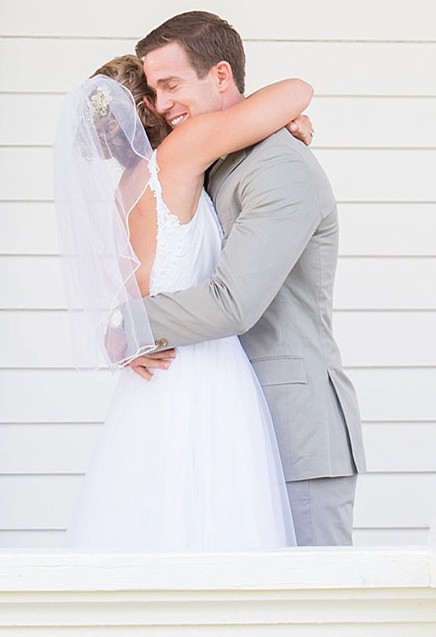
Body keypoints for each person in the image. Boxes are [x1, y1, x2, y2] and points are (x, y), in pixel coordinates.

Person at [55, 55, 311, 553]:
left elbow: (129, 296)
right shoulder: (182, 152)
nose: (172, 101)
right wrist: (288, 118)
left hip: (150, 378)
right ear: (148, 106)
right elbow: (297, 88)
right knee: (218, 516)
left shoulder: (124, 191)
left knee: (149, 516)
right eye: (161, 90)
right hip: (205, 367)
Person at [134, 10, 363, 550]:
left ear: (220, 76)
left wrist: (126, 324)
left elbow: (233, 304)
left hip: (294, 431)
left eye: (171, 85)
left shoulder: (277, 166)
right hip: (223, 426)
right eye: (153, 92)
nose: (162, 105)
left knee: (308, 613)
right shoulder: (210, 161)